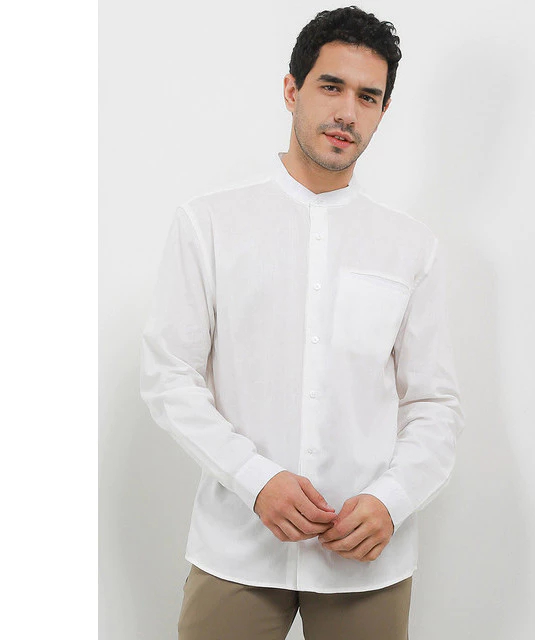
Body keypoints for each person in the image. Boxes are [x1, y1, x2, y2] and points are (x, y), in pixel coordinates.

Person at [139, 5, 465, 639]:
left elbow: (433, 403)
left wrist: (392, 500)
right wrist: (255, 480)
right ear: (292, 90)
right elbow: (170, 377)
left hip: (365, 555)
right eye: (331, 86)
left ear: (383, 111)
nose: (348, 112)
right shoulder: (209, 225)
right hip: (237, 546)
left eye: (368, 97)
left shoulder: (411, 247)